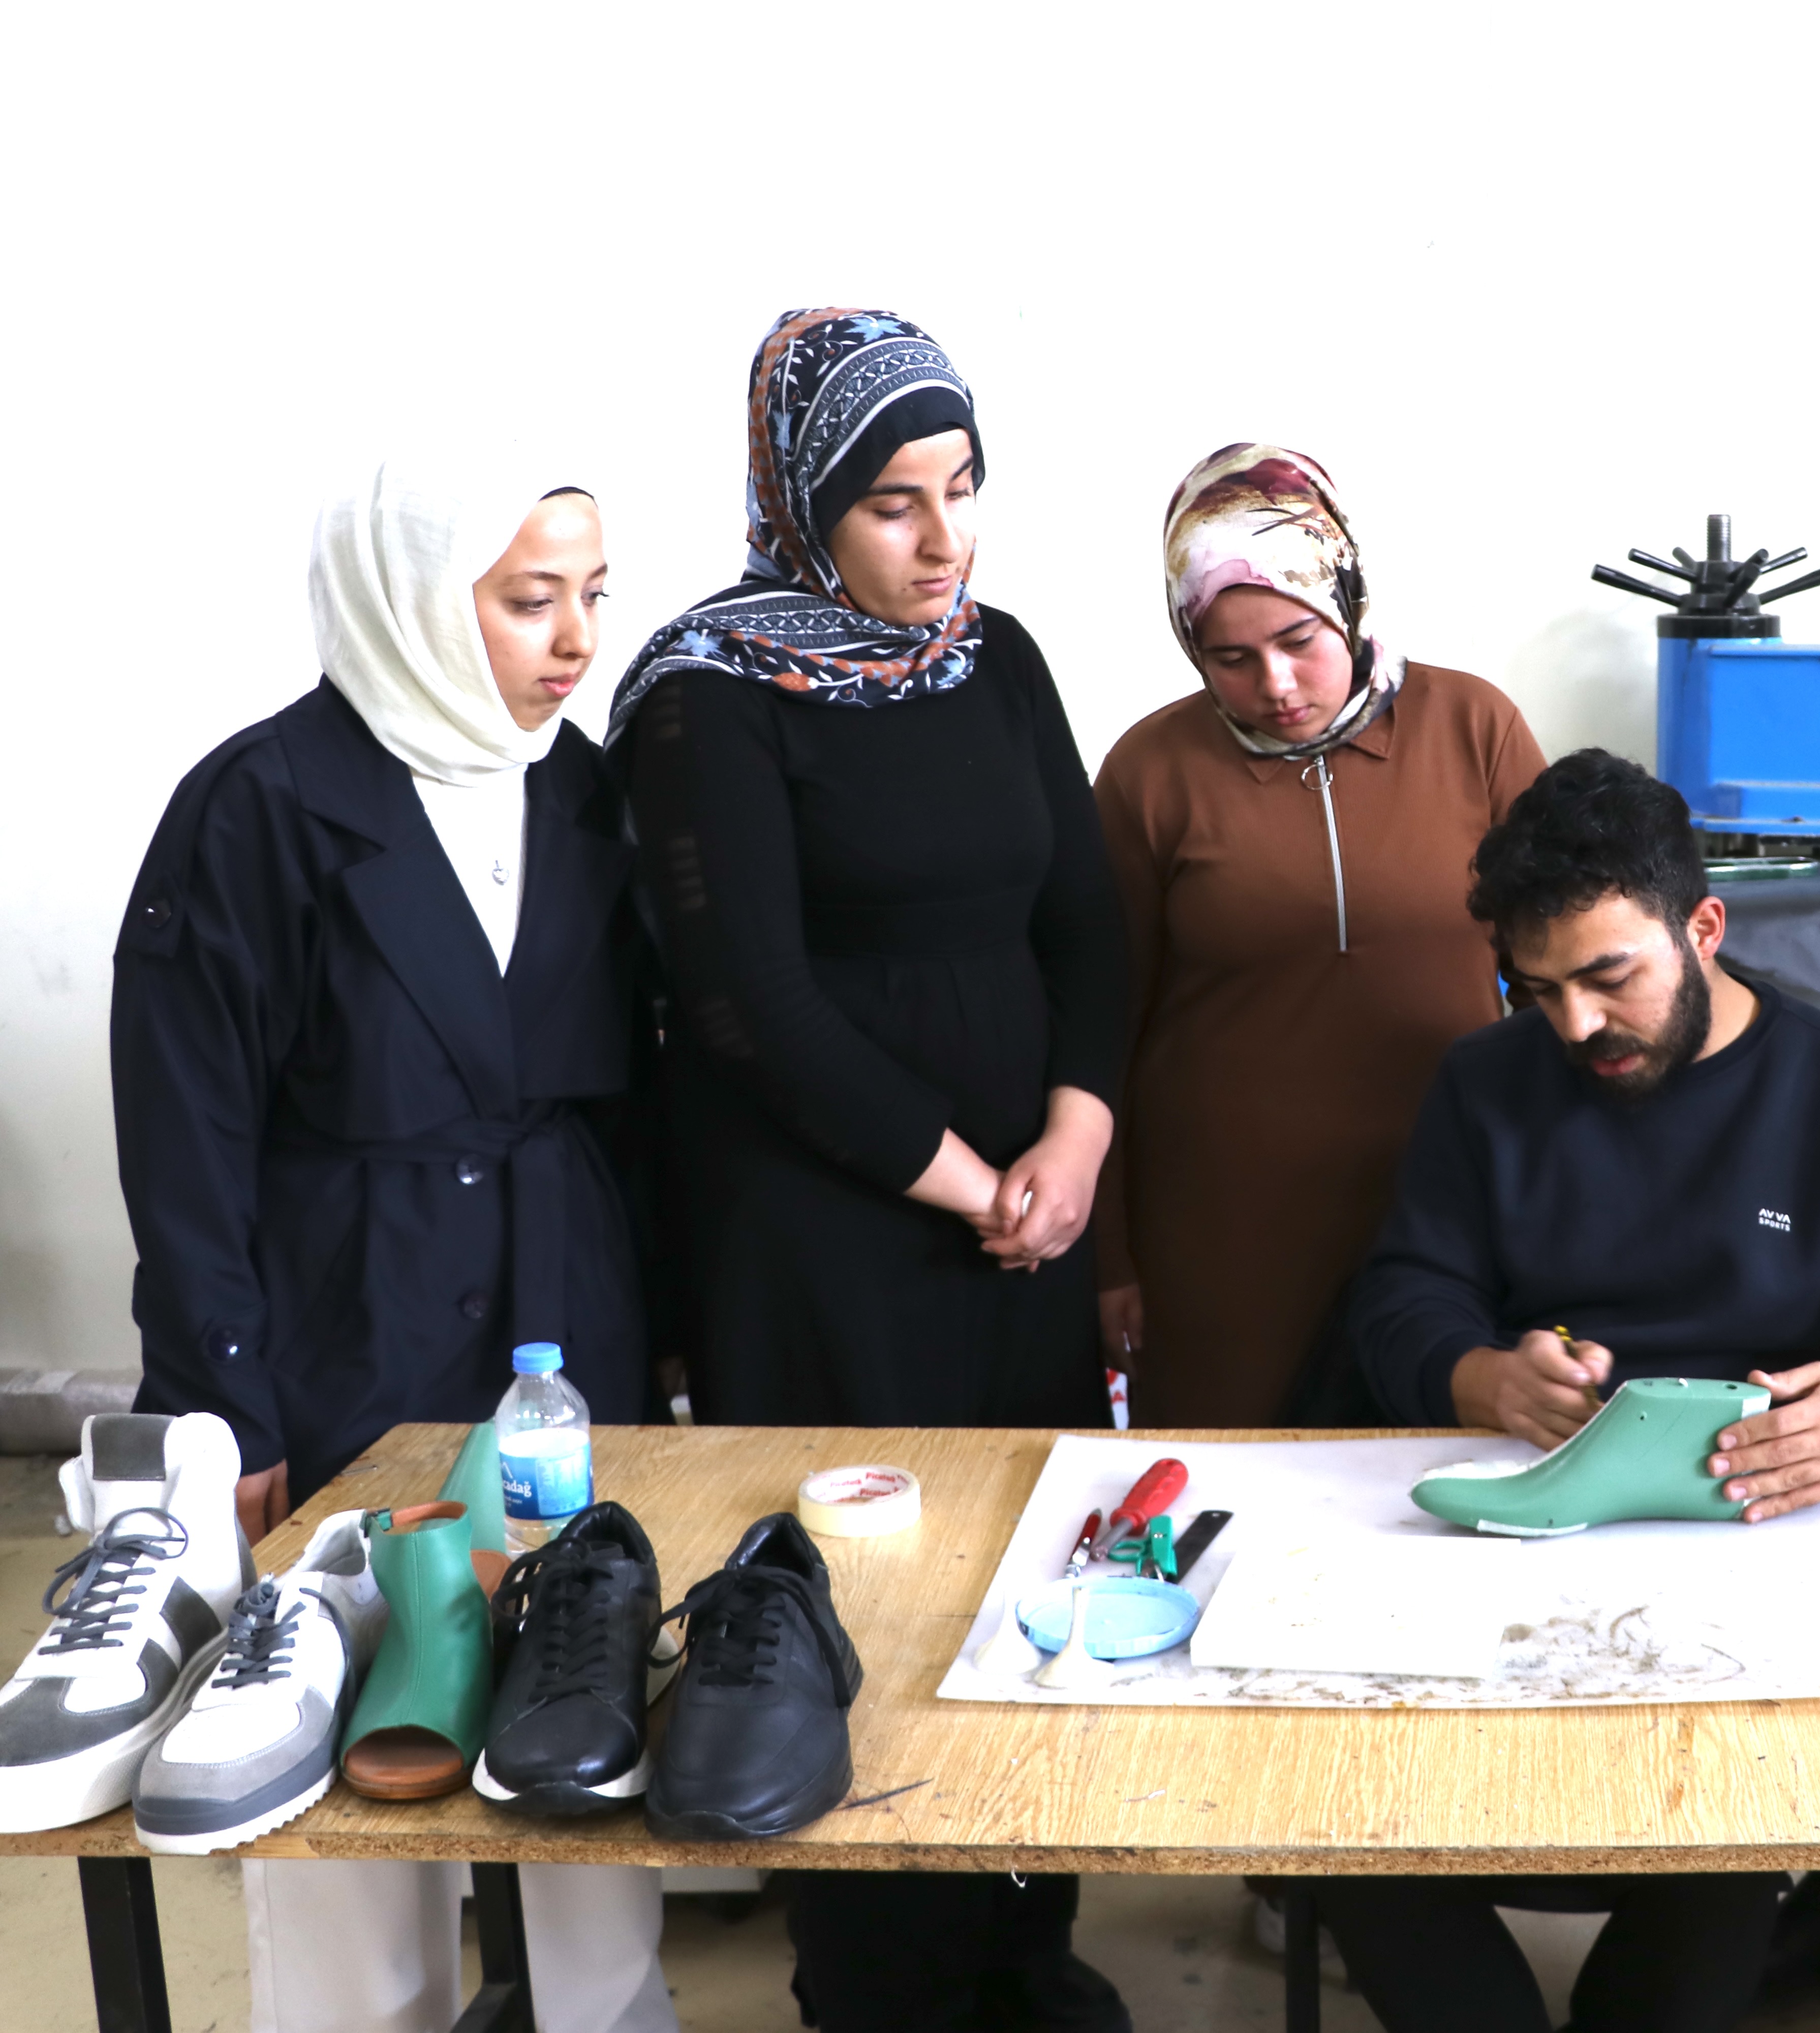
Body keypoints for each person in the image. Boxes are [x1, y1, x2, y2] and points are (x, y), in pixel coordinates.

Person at [611, 308, 1128, 2033]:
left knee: (1030, 1579)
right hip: (826, 1234)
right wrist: (976, 1187)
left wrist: (1073, 1140)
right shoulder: (710, 690)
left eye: (962, 489)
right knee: (859, 1605)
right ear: (803, 504)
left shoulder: (1002, 659)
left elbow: (1088, 926)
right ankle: (877, 1978)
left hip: (1028, 1224)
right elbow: (747, 1003)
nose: (941, 538)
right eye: (893, 504)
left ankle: (1026, 1947)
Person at [1322, 749, 1820, 2033]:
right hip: (1520, 1528)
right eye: (1536, 989)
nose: (1575, 1027)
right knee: (1342, 1815)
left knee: (1723, 1822)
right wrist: (1484, 1374)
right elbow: (1404, 1296)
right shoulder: (1487, 1081)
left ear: (1705, 926)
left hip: (1753, 1544)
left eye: (1609, 976)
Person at [111, 451, 672, 2031]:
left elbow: (640, 1096)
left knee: (579, 1683)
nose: (577, 642)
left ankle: (605, 2011)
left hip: (565, 1311)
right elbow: (186, 1127)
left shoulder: (579, 791)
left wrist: (668, 1329)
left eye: (592, 596)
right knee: (346, 1720)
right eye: (529, 599)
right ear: (411, 598)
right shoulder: (262, 806)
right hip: (346, 1313)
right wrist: (223, 1394)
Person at [1093, 442, 1544, 1425]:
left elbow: (1567, 973)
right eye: (1231, 659)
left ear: (1348, 601)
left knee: (1436, 1473)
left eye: (1300, 639)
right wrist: (1111, 1257)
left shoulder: (1476, 729)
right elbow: (1101, 1028)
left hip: (1446, 1213)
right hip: (1220, 1236)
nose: (1278, 683)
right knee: (1224, 1482)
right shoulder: (1150, 773)